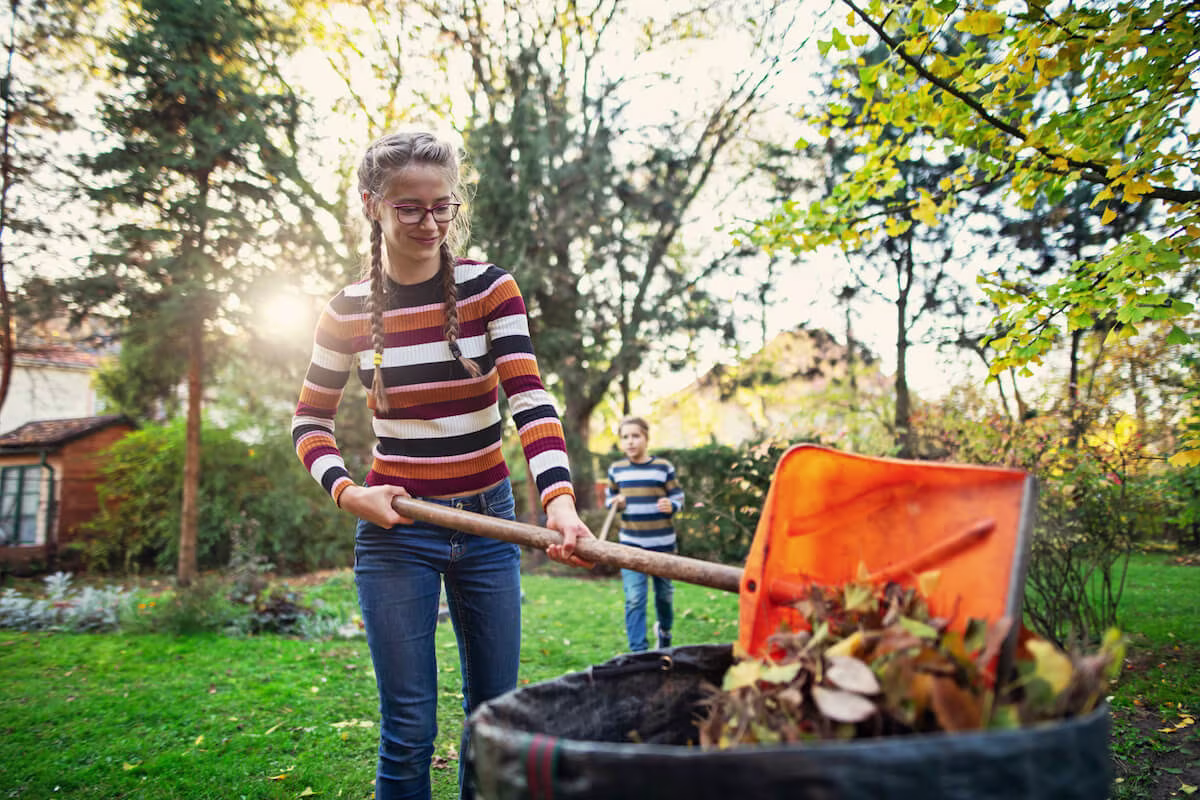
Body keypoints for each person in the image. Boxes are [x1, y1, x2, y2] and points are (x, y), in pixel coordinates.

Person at [291, 129, 594, 800]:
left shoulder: (491, 289)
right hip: (397, 532)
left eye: (443, 207)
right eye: (410, 208)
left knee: (494, 720)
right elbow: (308, 421)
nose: (430, 223)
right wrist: (347, 493)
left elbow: (529, 397)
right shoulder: (344, 311)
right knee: (407, 727)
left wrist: (561, 502)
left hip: (489, 527)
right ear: (373, 204)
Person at [604, 416, 684, 652]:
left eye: (635, 436)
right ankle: (638, 652)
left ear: (646, 438)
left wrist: (673, 505)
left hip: (663, 545)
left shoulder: (663, 467)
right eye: (625, 437)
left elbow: (678, 496)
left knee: (665, 596)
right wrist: (615, 502)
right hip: (630, 545)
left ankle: (665, 632)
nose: (630, 442)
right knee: (635, 598)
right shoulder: (616, 470)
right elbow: (610, 499)